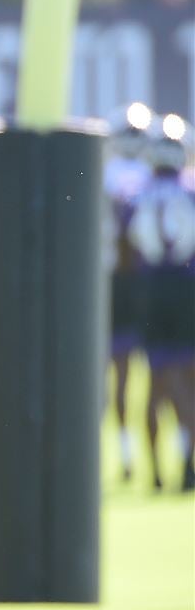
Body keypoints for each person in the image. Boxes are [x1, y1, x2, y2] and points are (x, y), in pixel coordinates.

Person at [126, 116, 195, 492]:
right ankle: (187, 461)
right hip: (186, 289)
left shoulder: (137, 190)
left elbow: (127, 243)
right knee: (187, 378)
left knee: (154, 381)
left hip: (151, 289)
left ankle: (152, 470)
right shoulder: (189, 189)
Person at [104, 103, 155, 482]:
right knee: (163, 374)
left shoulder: (104, 175)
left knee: (116, 375)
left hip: (112, 281)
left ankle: (123, 453)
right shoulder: (155, 176)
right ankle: (169, 456)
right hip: (149, 281)